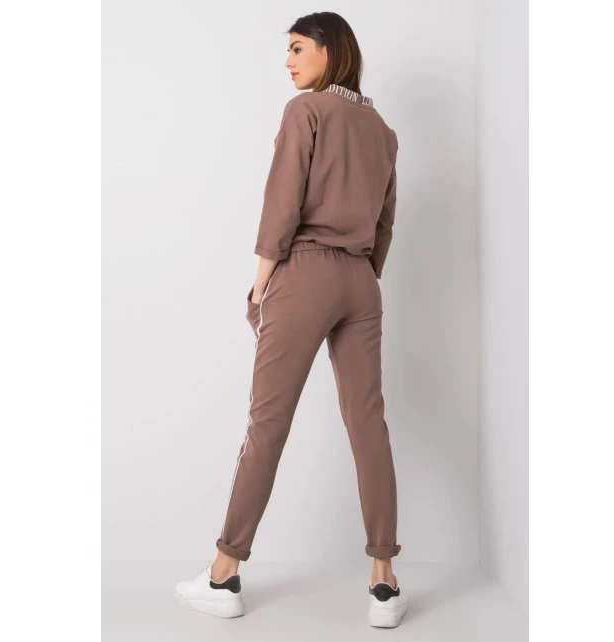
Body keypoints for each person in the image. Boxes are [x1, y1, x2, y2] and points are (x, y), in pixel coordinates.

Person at [175, 11, 407, 628]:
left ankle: (223, 574)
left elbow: (282, 204)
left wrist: (260, 287)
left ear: (331, 50)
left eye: (299, 48)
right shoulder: (383, 132)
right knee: (368, 423)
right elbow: (385, 222)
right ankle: (384, 583)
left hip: (304, 271)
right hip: (361, 281)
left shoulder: (306, 111)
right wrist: (360, 275)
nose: (289, 61)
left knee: (268, 423)